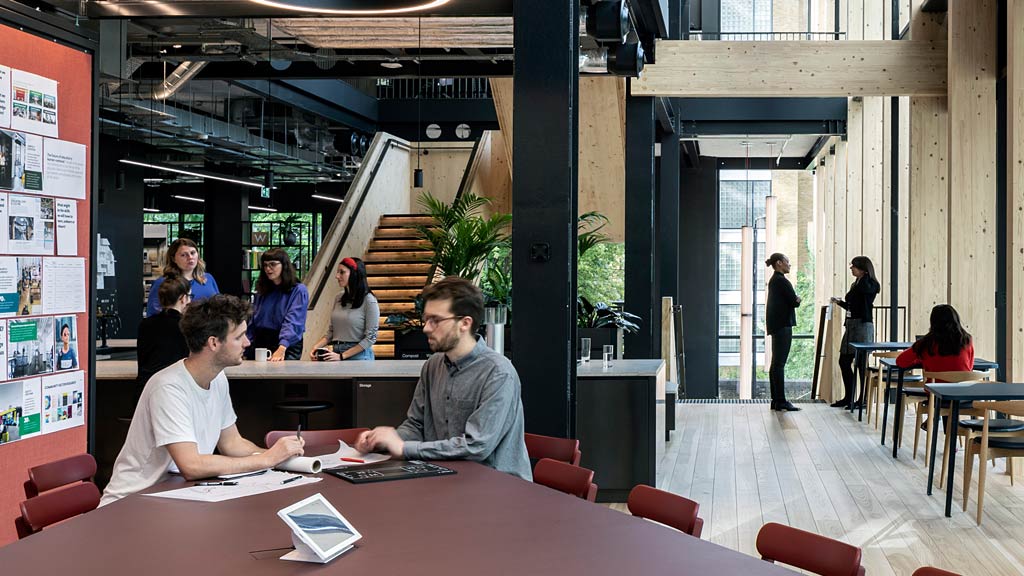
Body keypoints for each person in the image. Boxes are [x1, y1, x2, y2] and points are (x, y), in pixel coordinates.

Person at [100, 295, 305, 506]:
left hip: (173, 496)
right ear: (214, 343)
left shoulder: (218, 378)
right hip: (130, 503)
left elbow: (232, 444)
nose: (247, 342)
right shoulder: (168, 387)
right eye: (239, 337)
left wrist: (280, 456)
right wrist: (267, 459)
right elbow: (192, 466)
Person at [354, 277, 532, 481]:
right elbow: (417, 425)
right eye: (426, 319)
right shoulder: (433, 366)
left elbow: (476, 447)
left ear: (465, 323)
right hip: (448, 479)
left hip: (499, 488)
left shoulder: (498, 373)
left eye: (435, 320)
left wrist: (404, 447)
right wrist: (385, 439)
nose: (426, 328)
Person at [830, 255, 880, 409]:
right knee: (844, 361)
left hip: (862, 326)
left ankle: (862, 400)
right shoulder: (857, 283)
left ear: (863, 269)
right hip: (851, 325)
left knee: (861, 363)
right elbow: (853, 305)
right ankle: (849, 397)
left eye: (854, 266)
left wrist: (863, 277)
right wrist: (840, 303)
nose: (851, 268)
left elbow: (867, 295)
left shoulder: (868, 284)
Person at [309, 257, 378, 361]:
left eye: (342, 272)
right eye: (337, 272)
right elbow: (331, 332)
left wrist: (342, 356)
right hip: (336, 353)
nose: (337, 276)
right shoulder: (338, 298)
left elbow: (370, 338)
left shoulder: (369, 300)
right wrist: (315, 347)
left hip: (359, 357)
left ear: (355, 274)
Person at [246, 248, 309, 361]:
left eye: (272, 264)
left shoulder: (298, 290)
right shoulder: (262, 289)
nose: (268, 269)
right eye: (265, 265)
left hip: (286, 344)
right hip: (261, 341)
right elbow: (253, 320)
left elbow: (293, 321)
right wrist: (246, 344)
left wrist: (282, 347)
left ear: (284, 266)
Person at [136, 275, 191, 389]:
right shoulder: (188, 326)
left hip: (145, 387)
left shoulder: (145, 325)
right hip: (175, 389)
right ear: (183, 298)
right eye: (190, 296)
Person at [146, 238, 219, 317]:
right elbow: (153, 315)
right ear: (173, 259)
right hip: (178, 327)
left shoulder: (208, 278)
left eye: (193, 253)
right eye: (183, 255)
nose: (190, 257)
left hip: (209, 328)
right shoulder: (163, 283)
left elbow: (219, 307)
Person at [764, 253, 801, 412]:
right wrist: (798, 299)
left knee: (776, 364)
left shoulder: (774, 281)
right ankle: (781, 401)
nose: (789, 265)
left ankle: (776, 400)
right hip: (783, 326)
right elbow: (794, 301)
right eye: (787, 262)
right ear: (779, 263)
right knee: (779, 364)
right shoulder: (781, 281)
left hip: (776, 325)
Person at [896, 304, 974, 374]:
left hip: (935, 389)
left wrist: (922, 359)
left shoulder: (926, 343)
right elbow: (969, 367)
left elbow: (900, 361)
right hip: (963, 388)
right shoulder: (967, 340)